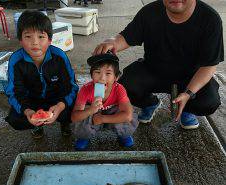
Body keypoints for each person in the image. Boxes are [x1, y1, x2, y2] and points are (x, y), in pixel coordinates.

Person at [93, 0, 223, 129]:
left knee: (209, 101)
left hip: (191, 77)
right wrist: (112, 42)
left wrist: (189, 93)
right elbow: (126, 37)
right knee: (125, 87)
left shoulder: (210, 19)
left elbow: (209, 65)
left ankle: (187, 108)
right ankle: (150, 104)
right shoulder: (150, 12)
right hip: (154, 70)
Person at [5, 10, 79, 138]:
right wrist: (28, 111)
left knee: (77, 109)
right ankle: (36, 124)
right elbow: (14, 92)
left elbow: (71, 86)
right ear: (20, 40)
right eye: (28, 36)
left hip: (57, 100)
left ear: (50, 40)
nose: (35, 42)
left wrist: (61, 106)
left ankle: (64, 123)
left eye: (41, 36)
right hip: (32, 102)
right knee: (15, 118)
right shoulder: (16, 60)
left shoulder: (59, 56)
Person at [71, 52, 139, 150]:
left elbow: (128, 115)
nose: (102, 78)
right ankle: (84, 136)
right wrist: (91, 110)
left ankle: (124, 135)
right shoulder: (85, 89)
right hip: (93, 112)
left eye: (108, 73)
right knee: (82, 119)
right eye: (97, 72)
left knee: (128, 118)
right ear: (91, 75)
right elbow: (74, 117)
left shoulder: (119, 89)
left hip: (112, 113)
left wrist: (102, 118)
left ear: (116, 77)